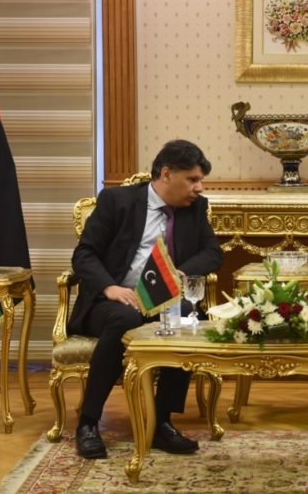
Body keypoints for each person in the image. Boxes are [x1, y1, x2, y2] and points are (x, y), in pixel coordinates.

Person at [69, 139, 222, 459]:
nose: (199, 187)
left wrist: (180, 272)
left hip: (162, 300)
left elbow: (212, 252)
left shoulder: (196, 208)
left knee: (187, 317)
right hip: (111, 301)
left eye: (200, 180)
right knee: (125, 318)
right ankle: (88, 422)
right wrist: (109, 288)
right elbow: (84, 254)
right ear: (166, 174)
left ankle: (161, 422)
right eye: (192, 179)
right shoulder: (117, 201)